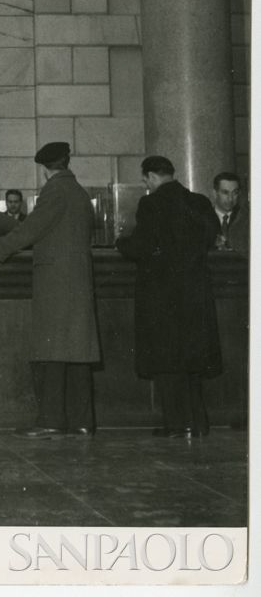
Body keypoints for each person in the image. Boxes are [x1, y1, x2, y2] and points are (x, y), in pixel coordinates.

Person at [0, 142, 100, 438]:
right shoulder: (79, 192)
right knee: (77, 352)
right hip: (77, 280)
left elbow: (32, 229)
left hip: (56, 282)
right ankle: (82, 422)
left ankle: (51, 420)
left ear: (44, 170)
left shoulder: (54, 190)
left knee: (52, 349)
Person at [115, 155, 222, 438]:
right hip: (196, 294)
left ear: (150, 177)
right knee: (192, 363)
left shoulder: (151, 203)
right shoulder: (198, 201)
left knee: (167, 362)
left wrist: (120, 242)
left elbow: (141, 246)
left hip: (163, 297)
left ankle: (177, 424)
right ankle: (198, 423)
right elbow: (212, 234)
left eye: (145, 179)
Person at [211, 171, 249, 255]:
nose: (230, 199)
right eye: (225, 192)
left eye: (235, 193)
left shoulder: (247, 218)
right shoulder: (204, 218)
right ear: (215, 193)